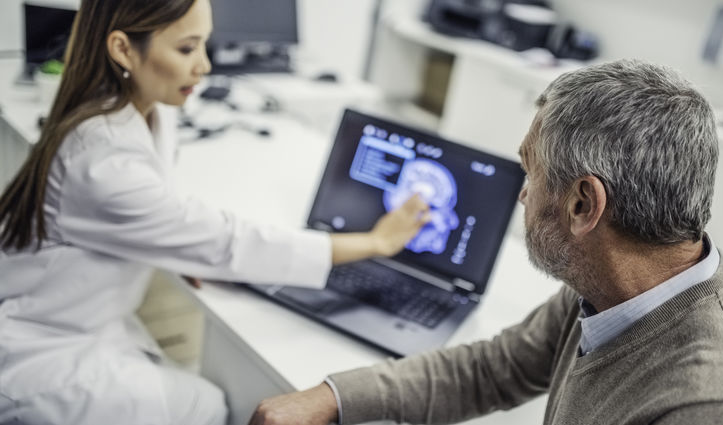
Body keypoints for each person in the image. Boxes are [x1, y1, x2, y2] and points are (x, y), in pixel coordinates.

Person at [249, 59, 723, 425]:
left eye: (530, 171)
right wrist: (335, 396)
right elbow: (492, 371)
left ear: (583, 205)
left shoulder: (709, 406)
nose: (521, 194)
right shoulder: (613, 282)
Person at [0, 1, 429, 424]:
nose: (204, 66)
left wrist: (172, 243)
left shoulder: (138, 108)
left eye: (205, 45)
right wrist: (375, 242)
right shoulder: (103, 163)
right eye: (187, 49)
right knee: (207, 407)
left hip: (74, 317)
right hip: (40, 347)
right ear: (122, 49)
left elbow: (166, 217)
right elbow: (229, 241)